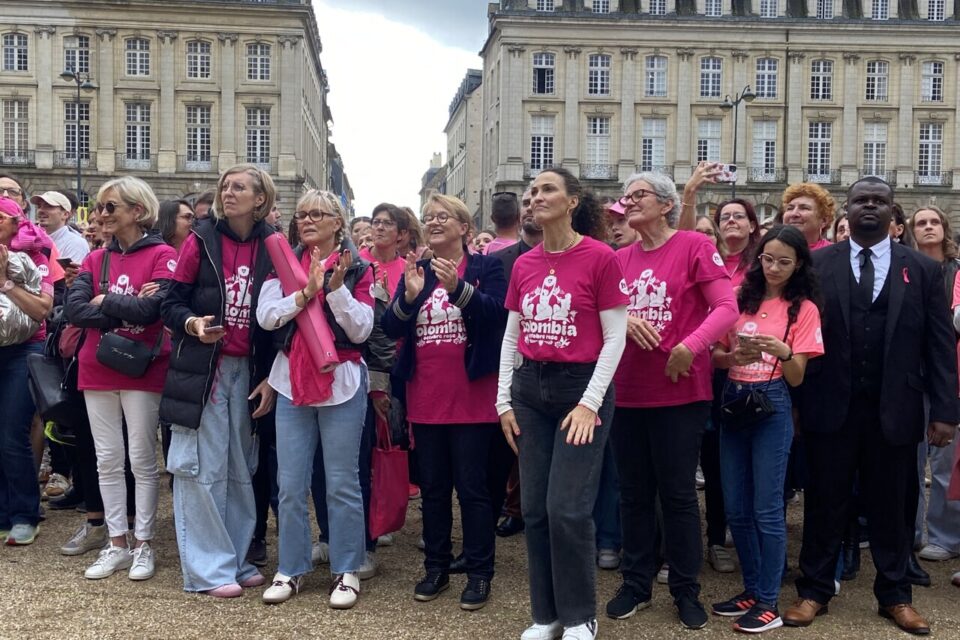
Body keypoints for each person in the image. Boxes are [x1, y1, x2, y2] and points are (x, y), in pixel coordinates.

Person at [785, 177, 959, 635]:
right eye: (861, 200)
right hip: (830, 405)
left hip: (896, 408)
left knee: (892, 506)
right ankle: (814, 590)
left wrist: (945, 411)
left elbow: (939, 346)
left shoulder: (920, 270)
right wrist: (797, 406)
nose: (869, 207)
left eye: (878, 201)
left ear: (892, 213)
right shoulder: (818, 265)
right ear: (846, 208)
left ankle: (896, 595)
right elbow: (800, 337)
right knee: (825, 501)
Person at [497, 167, 628, 640]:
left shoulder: (600, 257)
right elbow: (512, 335)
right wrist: (502, 402)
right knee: (533, 508)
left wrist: (591, 403)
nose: (535, 198)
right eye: (532, 192)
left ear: (573, 201)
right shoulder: (524, 264)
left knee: (567, 509)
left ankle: (579, 616)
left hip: (582, 388)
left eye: (547, 189)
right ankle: (546, 615)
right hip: (531, 389)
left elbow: (615, 338)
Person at [604, 172, 738, 630]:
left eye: (638, 194)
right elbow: (599, 317)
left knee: (678, 495)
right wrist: (624, 321)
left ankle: (685, 588)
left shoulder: (694, 248)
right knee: (634, 494)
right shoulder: (619, 258)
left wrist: (691, 345)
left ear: (665, 204)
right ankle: (636, 582)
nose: (629, 202)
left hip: (680, 392)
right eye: (627, 196)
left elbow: (726, 308)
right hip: (627, 391)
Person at [383, 192, 507, 611]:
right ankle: (435, 567)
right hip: (426, 397)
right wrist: (407, 298)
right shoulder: (415, 270)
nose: (433, 222)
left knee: (473, 489)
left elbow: (498, 316)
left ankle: (479, 571)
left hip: (472, 398)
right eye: (429, 217)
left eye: (443, 217)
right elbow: (389, 327)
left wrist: (459, 289)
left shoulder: (488, 267)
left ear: (464, 228)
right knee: (434, 489)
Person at [160, 164, 278, 597]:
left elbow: (283, 318)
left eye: (239, 187)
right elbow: (170, 302)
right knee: (200, 468)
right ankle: (207, 570)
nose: (229, 193)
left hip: (247, 369)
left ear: (260, 199)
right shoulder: (201, 239)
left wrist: (269, 376)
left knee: (240, 468)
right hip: (204, 367)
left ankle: (235, 556)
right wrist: (192, 323)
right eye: (226, 186)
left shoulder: (273, 244)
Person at [257, 189, 374, 608]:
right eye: (302, 214)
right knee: (290, 484)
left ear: (337, 222)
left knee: (342, 482)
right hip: (292, 381)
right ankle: (291, 567)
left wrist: (337, 290)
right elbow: (267, 317)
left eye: (318, 214)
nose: (307, 220)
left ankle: (347, 568)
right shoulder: (284, 263)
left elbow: (361, 331)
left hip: (341, 380)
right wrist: (306, 293)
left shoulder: (357, 267)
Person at [710, 224, 824, 633]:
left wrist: (785, 350)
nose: (773, 267)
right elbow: (718, 356)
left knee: (767, 507)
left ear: (799, 265)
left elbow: (797, 378)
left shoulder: (804, 308)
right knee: (736, 505)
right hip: (735, 399)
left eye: (784, 262)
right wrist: (733, 354)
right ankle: (752, 587)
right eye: (768, 258)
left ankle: (768, 600)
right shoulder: (741, 297)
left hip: (773, 401)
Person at [65, 176, 177, 581]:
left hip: (143, 367)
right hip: (98, 366)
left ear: (137, 210)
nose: (101, 214)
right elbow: (75, 309)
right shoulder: (96, 259)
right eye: (99, 207)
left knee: (143, 458)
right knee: (107, 459)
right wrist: (126, 307)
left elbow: (157, 309)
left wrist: (105, 301)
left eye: (111, 206)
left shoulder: (163, 254)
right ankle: (117, 541)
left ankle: (144, 541)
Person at [0, 196, 55, 545]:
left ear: (17, 223)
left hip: (25, 348)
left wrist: (4, 280)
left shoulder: (38, 255)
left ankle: (23, 513)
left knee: (11, 431)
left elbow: (42, 310)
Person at [910, 206, 960, 564]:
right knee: (909, 461)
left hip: (948, 376)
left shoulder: (957, 272)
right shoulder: (905, 269)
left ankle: (944, 536)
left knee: (944, 464)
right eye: (921, 223)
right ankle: (910, 531)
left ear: (945, 229)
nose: (928, 228)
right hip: (911, 376)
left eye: (934, 222)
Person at [492, 186, 539, 539]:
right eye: (525, 202)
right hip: (509, 360)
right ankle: (512, 507)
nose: (531, 207)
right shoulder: (502, 260)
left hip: (553, 365)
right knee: (508, 442)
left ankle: (531, 508)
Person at [778, 183, 834, 250]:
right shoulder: (770, 250)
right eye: (790, 208)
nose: (794, 214)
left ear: (823, 221)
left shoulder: (836, 254)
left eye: (804, 208)